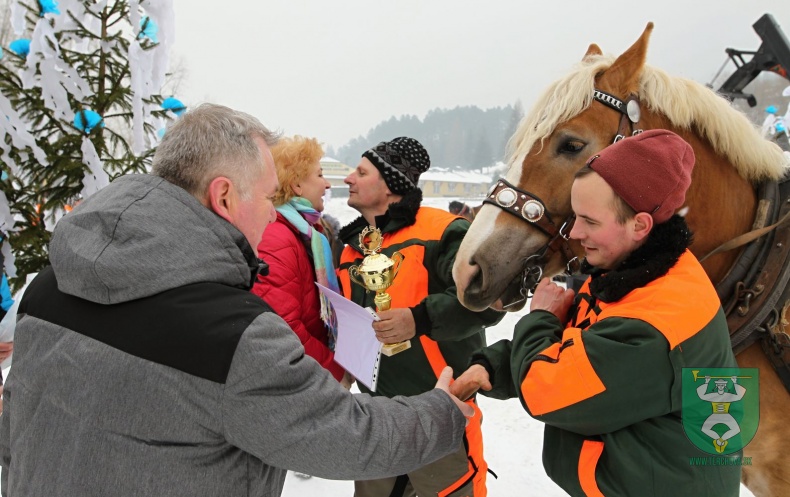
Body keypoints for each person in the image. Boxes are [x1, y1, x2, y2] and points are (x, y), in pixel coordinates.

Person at [0, 104, 475, 497]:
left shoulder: (49, 285)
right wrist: (440, 413)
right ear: (224, 196)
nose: (274, 211)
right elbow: (343, 435)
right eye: (269, 196)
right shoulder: (232, 335)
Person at [452, 129, 741, 496]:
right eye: (575, 216)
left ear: (640, 225)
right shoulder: (631, 272)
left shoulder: (655, 327)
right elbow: (582, 345)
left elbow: (548, 390)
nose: (574, 231)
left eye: (589, 221)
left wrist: (539, 317)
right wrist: (492, 365)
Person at [337, 136, 504, 497]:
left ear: (389, 186)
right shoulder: (352, 248)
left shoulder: (443, 231)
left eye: (361, 172)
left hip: (438, 410)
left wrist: (419, 319)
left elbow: (487, 301)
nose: (348, 178)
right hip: (376, 417)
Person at [252, 135, 350, 387]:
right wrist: (333, 369)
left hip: (305, 374)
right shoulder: (277, 236)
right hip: (296, 381)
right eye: (319, 175)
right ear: (296, 184)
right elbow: (282, 327)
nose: (327, 184)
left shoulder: (303, 233)